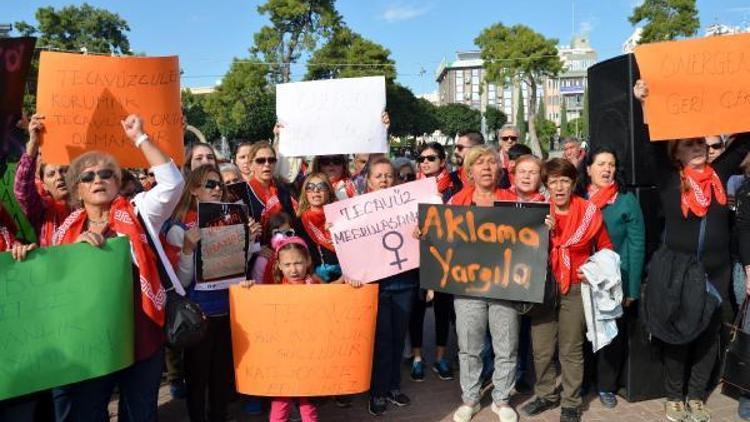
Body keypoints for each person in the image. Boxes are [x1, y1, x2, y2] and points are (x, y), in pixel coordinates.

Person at [51, 114, 184, 421]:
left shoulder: (138, 212)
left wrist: (140, 137)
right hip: (92, 340)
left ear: (118, 182)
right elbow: (56, 285)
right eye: (87, 177)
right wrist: (76, 255)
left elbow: (173, 183)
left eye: (106, 173)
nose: (97, 179)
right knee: (90, 412)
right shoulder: (67, 233)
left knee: (139, 413)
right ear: (77, 190)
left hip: (142, 333)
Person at [634, 79, 750, 422]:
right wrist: (644, 104)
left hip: (716, 272)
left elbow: (743, 142)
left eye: (701, 142)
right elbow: (650, 143)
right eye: (690, 143)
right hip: (679, 272)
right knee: (680, 336)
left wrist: (739, 100)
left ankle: (697, 396)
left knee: (707, 337)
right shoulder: (670, 179)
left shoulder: (720, 172)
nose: (698, 147)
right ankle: (674, 397)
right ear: (677, 152)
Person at [163, 165, 259, 422]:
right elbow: (181, 283)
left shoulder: (232, 216)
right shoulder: (178, 227)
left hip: (227, 309)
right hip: (199, 314)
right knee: (197, 377)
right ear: (194, 189)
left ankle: (219, 416)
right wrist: (186, 249)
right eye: (210, 185)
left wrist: (249, 242)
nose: (217, 189)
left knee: (220, 375)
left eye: (219, 185)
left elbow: (237, 267)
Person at [521, 158, 613, 422]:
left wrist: (592, 270)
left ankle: (571, 402)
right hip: (543, 287)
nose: (559, 187)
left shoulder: (589, 212)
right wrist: (541, 233)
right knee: (541, 348)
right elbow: (518, 251)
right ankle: (546, 394)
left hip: (575, 286)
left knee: (571, 348)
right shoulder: (536, 210)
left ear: (573, 183)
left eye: (564, 181)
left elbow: (606, 248)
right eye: (553, 181)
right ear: (546, 185)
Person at [444, 145, 527, 422]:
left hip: (504, 286)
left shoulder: (513, 200)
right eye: (480, 163)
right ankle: (470, 398)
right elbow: (441, 238)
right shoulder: (456, 202)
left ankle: (501, 399)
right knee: (469, 346)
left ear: (500, 169)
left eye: (492, 162)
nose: (487, 168)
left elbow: (528, 239)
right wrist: (425, 232)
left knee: (507, 346)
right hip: (468, 287)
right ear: (469, 171)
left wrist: (543, 225)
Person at [349, 157, 418, 417]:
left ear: (397, 179)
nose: (384, 180)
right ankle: (377, 391)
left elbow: (421, 237)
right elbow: (349, 242)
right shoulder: (356, 210)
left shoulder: (409, 208)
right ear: (368, 180)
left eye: (389, 175)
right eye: (378, 176)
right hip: (374, 285)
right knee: (380, 340)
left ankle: (393, 386)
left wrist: (419, 232)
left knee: (398, 338)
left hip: (403, 283)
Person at [581, 147, 646, 409]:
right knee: (581, 333)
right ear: (588, 169)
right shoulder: (577, 198)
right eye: (600, 164)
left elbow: (637, 244)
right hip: (581, 278)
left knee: (612, 335)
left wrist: (631, 289)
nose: (606, 169)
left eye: (611, 164)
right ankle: (584, 380)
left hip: (613, 282)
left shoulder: (625, 200)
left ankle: (607, 385)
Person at [241, 236, 323, 422]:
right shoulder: (274, 288)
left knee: (307, 404)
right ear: (278, 265)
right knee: (280, 403)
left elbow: (336, 299)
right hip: (282, 358)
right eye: (287, 264)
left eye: (298, 263)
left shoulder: (316, 285)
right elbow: (256, 304)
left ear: (308, 261)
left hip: (308, 357)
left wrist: (349, 283)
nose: (293, 269)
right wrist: (247, 289)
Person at [408, 142, 458, 383]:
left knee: (442, 307)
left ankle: (440, 356)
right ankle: (417, 357)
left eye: (431, 158)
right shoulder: (409, 189)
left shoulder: (455, 188)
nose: (425, 162)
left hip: (445, 256)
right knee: (417, 307)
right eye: (422, 158)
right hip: (416, 256)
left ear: (442, 162)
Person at [14, 113, 71, 247]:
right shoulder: (42, 211)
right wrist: (33, 144)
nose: (59, 177)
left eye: (64, 171)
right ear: (43, 185)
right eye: (51, 174)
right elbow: (22, 190)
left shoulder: (89, 206)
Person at [296, 173, 342, 282]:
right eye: (310, 187)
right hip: (314, 281)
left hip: (344, 279)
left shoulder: (341, 216)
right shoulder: (298, 222)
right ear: (305, 193)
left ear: (329, 191)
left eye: (321, 187)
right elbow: (299, 255)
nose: (316, 191)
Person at [241, 141, 298, 227]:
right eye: (261, 161)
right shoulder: (244, 193)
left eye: (271, 160)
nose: (267, 164)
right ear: (250, 165)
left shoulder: (283, 190)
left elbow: (292, 220)